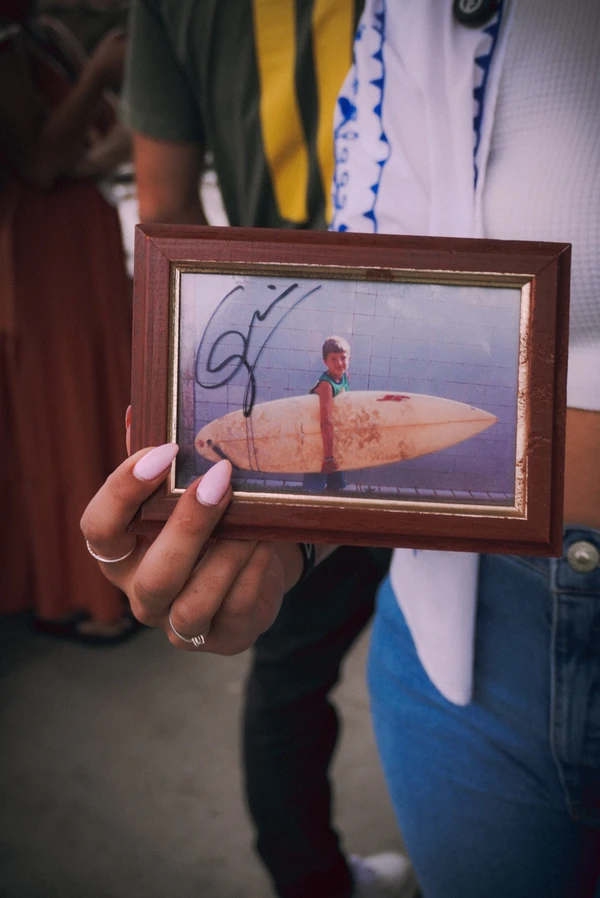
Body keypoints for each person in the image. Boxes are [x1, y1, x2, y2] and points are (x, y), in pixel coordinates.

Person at [83, 0, 600, 894]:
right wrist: (291, 527)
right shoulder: (404, 17)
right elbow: (374, 262)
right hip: (448, 635)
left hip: (435, 543)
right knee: (286, 678)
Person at [119, 3, 411, 897]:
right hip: (438, 330)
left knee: (290, 666)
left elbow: (165, 213)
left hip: (274, 347)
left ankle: (310, 879)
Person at [0, 0, 140, 643]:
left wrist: (87, 160)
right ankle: (74, 592)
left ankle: (117, 570)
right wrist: (95, 76)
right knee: (61, 412)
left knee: (102, 396)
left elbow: (110, 135)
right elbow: (37, 160)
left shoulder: (46, 33)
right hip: (42, 252)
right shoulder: (8, 47)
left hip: (86, 236)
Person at [304, 335, 351, 494]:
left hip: (333, 438)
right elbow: (325, 421)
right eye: (333, 359)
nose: (339, 363)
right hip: (317, 438)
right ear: (325, 362)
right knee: (314, 487)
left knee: (336, 486)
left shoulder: (344, 376)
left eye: (343, 358)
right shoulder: (326, 385)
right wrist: (328, 457)